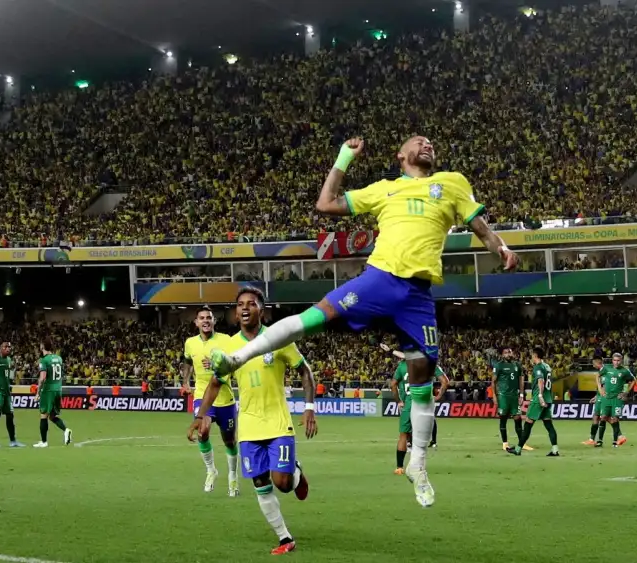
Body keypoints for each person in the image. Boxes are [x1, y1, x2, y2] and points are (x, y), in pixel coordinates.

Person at [209, 136, 518, 508]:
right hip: (380, 280)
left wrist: (501, 248)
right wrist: (344, 158)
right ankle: (238, 358)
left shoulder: (453, 182)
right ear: (401, 155)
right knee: (313, 317)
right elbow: (326, 203)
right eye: (418, 141)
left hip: (418, 295)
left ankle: (418, 465)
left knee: (422, 378)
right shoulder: (383, 189)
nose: (427, 144)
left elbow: (481, 227)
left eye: (430, 142)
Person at [188, 287, 317, 555]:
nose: (245, 308)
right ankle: (284, 538)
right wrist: (200, 415)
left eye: (251, 303)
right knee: (260, 483)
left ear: (262, 310)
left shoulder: (279, 338)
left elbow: (305, 371)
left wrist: (309, 408)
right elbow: (215, 383)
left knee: (282, 483)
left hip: (278, 423)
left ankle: (295, 472)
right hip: (248, 426)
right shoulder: (228, 347)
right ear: (236, 313)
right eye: (240, 304)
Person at [181, 306, 239, 495]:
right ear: (196, 322)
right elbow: (188, 361)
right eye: (202, 318)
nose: (205, 320)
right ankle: (211, 470)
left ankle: (232, 475)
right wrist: (185, 381)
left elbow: (235, 363)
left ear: (214, 321)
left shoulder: (226, 340)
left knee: (229, 441)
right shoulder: (190, 343)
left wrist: (217, 365)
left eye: (209, 317)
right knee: (202, 430)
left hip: (224, 396)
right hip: (201, 395)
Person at [391, 358, 449, 475]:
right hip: (424, 404)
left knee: (403, 435)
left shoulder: (402, 366)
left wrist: (399, 401)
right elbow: (445, 381)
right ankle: (418, 466)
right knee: (421, 437)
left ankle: (399, 467)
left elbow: (393, 384)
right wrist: (438, 397)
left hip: (409, 404)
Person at [507, 347, 559, 457]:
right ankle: (555, 450)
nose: (531, 358)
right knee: (549, 425)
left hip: (538, 400)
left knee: (528, 424)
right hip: (548, 399)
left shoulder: (538, 367)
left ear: (535, 356)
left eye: (532, 355)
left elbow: (541, 380)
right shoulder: (547, 366)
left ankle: (518, 449)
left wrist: (540, 396)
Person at [33, 337, 71, 447]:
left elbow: (42, 378)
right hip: (58, 389)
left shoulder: (44, 360)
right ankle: (66, 430)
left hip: (48, 390)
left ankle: (44, 442)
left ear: (42, 347)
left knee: (43, 415)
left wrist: (38, 393)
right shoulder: (59, 358)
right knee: (52, 416)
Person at [594, 353, 634, 448]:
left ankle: (615, 442)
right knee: (603, 417)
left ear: (621, 361)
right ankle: (599, 441)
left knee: (615, 418)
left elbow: (633, 380)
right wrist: (600, 389)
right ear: (612, 360)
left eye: (618, 360)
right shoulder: (606, 368)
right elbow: (597, 376)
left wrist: (626, 392)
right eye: (615, 360)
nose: (616, 362)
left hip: (617, 398)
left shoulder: (624, 371)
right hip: (606, 397)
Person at [491, 346, 525, 451]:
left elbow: (521, 380)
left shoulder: (517, 365)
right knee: (503, 418)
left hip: (515, 396)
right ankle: (505, 443)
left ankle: (521, 443)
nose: (509, 354)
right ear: (502, 355)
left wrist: (521, 395)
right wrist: (494, 395)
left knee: (518, 418)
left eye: (510, 352)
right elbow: (493, 381)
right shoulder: (498, 365)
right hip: (503, 396)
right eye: (506, 352)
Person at [584, 357, 605, 446]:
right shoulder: (601, 372)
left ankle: (620, 436)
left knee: (605, 418)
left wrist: (601, 396)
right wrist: (596, 396)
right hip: (600, 397)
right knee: (596, 417)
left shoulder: (605, 372)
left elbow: (605, 386)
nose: (593, 366)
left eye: (593, 364)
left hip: (604, 398)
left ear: (597, 363)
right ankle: (592, 439)